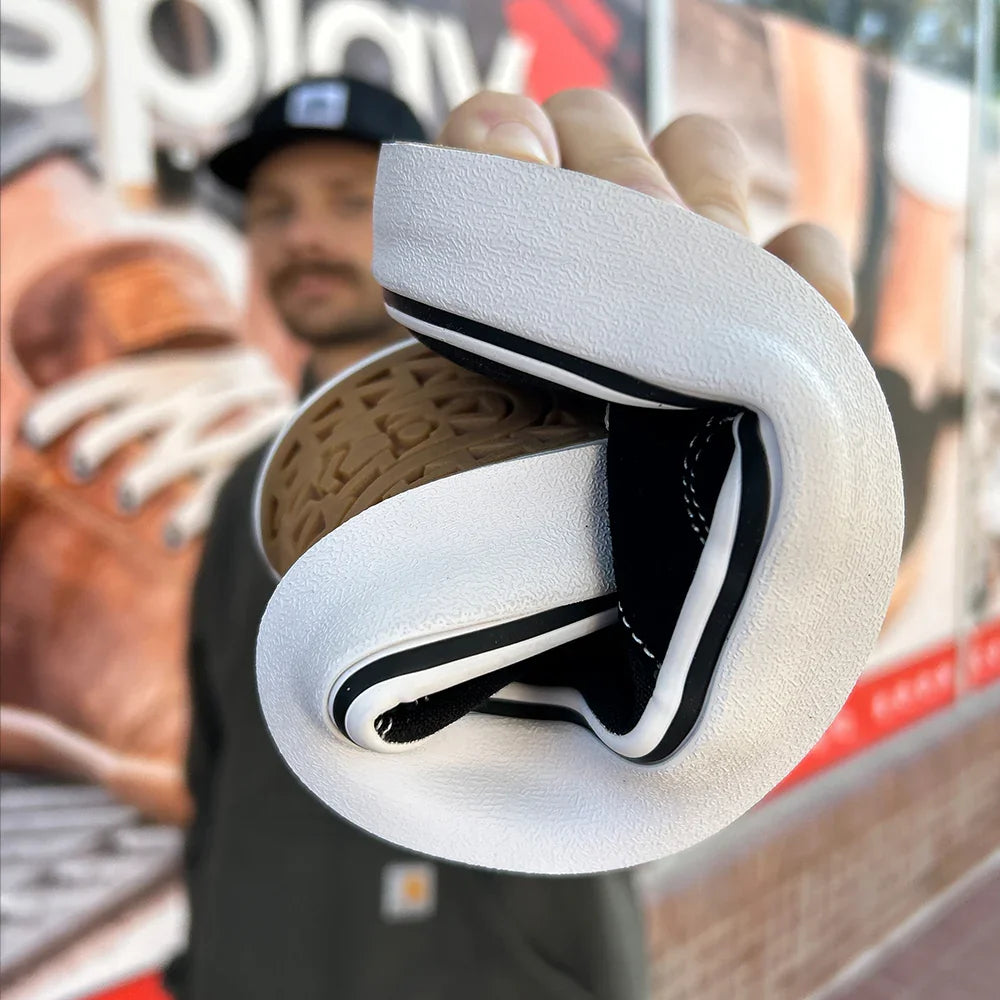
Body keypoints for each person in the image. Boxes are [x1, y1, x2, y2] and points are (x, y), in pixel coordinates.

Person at [168, 76, 854, 999]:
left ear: (420, 214)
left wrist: (758, 491)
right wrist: (201, 957)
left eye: (348, 199)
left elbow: (683, 738)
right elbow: (215, 758)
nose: (304, 235)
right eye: (274, 208)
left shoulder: (583, 452)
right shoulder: (246, 493)